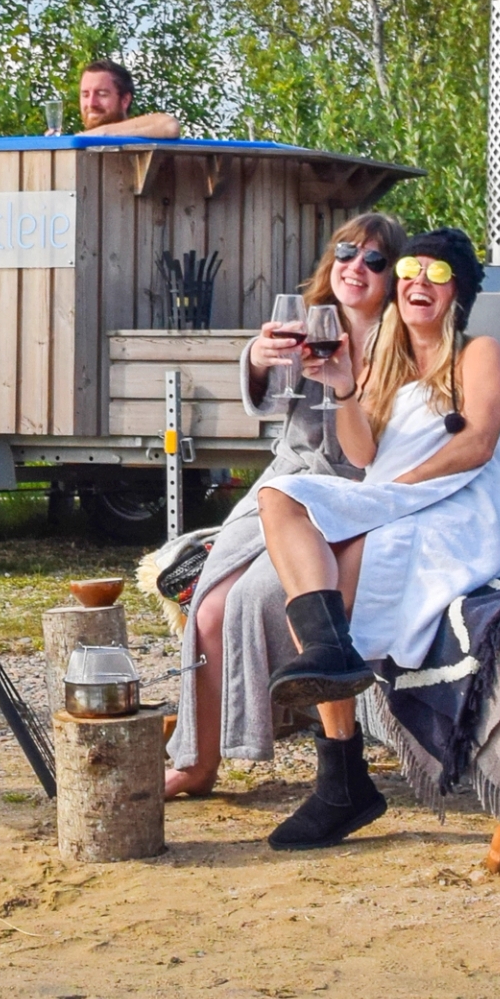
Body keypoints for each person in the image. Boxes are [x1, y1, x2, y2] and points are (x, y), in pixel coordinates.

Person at [240, 225, 500, 848]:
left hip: (460, 510)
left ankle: (341, 779)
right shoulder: (386, 364)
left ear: (459, 293)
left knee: (334, 581)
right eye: (411, 271)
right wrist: (343, 384)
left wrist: (394, 495)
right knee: (282, 500)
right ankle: (338, 723)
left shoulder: (482, 355)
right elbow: (363, 451)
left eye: (438, 274)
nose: (420, 282)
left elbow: (477, 444)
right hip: (399, 500)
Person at [164, 211, 404, 802]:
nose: (356, 267)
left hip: (346, 498)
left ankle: (234, 751)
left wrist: (347, 383)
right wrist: (257, 356)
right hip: (282, 484)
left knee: (241, 603)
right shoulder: (310, 323)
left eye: (374, 260)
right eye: (347, 252)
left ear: (393, 275)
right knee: (208, 605)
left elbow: (368, 455)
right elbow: (271, 403)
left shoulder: (402, 345)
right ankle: (196, 759)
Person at [71, 57, 183, 139]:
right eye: (85, 95)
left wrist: (102, 133)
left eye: (102, 94)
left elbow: (170, 126)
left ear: (125, 100)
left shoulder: (138, 143)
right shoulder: (72, 148)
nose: (91, 103)